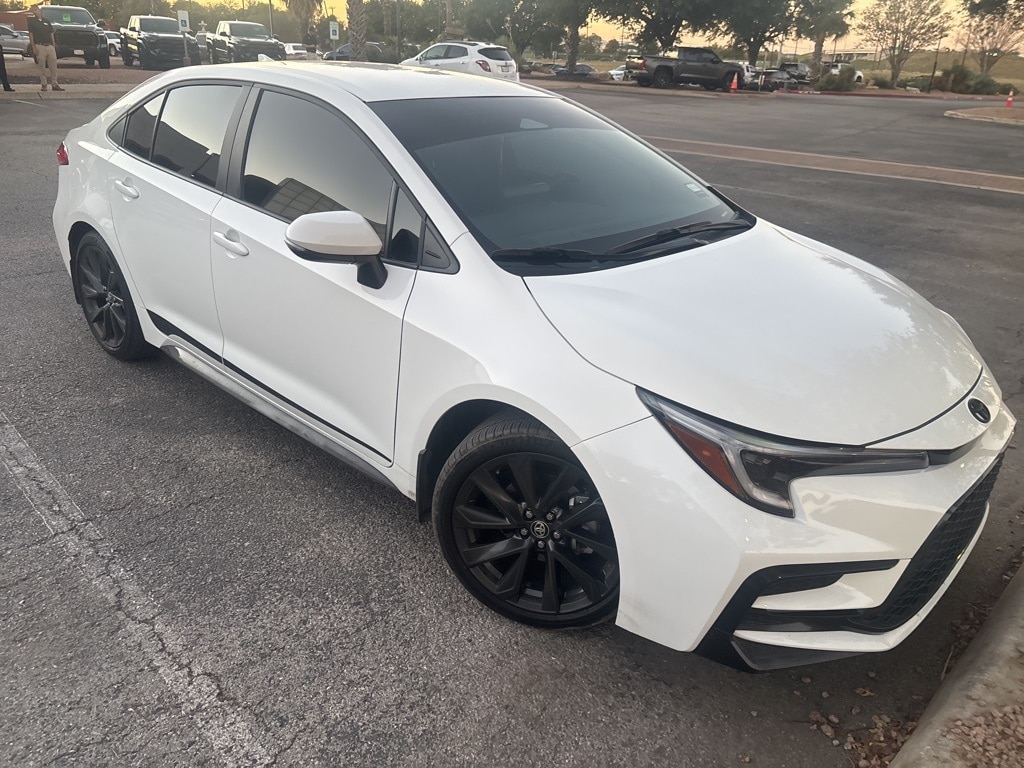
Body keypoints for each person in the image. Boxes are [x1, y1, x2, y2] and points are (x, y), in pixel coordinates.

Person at [27, 4, 62, 92]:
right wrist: (33, 47)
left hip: (49, 46)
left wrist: (53, 45)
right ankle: (44, 85)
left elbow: (51, 33)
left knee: (53, 66)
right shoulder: (32, 22)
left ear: (39, 10)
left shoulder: (47, 21)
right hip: (40, 46)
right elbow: (31, 35)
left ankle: (55, 84)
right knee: (42, 66)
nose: (35, 12)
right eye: (33, 10)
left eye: (36, 10)